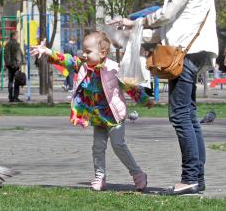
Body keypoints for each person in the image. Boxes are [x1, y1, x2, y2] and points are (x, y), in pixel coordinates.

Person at [112, 0, 218, 195]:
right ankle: (197, 178)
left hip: (185, 51)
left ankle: (190, 177)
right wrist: (135, 33)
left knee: (180, 114)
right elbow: (175, 23)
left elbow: (167, 13)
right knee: (190, 116)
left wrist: (136, 21)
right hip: (191, 49)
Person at [31, 31, 153, 191]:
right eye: (83, 50)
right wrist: (48, 51)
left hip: (114, 117)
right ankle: (100, 177)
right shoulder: (83, 65)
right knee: (97, 148)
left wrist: (145, 99)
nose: (84, 54)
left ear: (102, 53)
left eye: (88, 51)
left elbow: (131, 87)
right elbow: (67, 60)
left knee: (118, 145)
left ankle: (138, 174)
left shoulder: (114, 69)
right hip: (97, 118)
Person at [4, 31, 24, 102]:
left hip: (9, 65)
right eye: (17, 35)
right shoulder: (16, 44)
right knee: (17, 81)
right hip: (15, 65)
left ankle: (10, 97)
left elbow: (5, 55)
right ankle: (15, 96)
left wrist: (6, 64)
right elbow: (18, 55)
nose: (18, 36)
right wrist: (19, 64)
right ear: (14, 36)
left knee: (10, 81)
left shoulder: (7, 44)